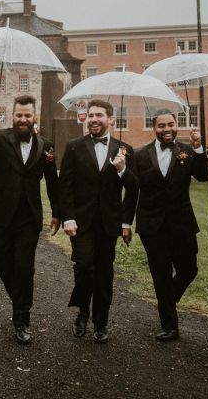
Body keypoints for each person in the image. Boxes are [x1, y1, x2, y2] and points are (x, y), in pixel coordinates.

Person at [0, 95, 60, 344]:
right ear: (12, 116)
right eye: (19, 115)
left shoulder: (46, 146)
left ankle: (22, 319)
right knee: (3, 265)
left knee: (24, 267)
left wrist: (57, 212)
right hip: (1, 214)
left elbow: (53, 182)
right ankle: (20, 301)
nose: (23, 119)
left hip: (29, 217)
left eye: (27, 115)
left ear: (35, 117)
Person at [58, 99, 138, 344]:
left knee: (105, 272)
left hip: (108, 223)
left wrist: (123, 170)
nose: (93, 119)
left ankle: (100, 322)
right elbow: (66, 187)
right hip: (80, 222)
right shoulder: (74, 147)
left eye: (99, 115)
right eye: (90, 115)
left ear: (111, 120)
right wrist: (68, 218)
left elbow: (134, 189)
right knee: (84, 266)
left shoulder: (124, 150)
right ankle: (83, 310)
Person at [132, 111, 208, 341]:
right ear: (154, 128)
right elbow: (131, 185)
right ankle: (170, 325)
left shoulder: (187, 151)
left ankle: (168, 299)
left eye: (171, 124)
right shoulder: (140, 154)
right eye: (162, 125)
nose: (167, 129)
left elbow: (204, 176)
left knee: (189, 269)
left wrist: (198, 148)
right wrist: (120, 169)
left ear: (177, 126)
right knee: (161, 274)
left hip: (182, 223)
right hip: (152, 225)